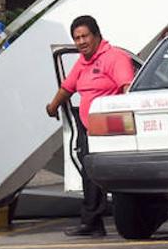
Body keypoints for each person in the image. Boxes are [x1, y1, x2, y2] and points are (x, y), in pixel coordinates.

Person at [46, 15, 134, 237]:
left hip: (110, 131)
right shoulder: (83, 62)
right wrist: (53, 106)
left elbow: (127, 89)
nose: (81, 42)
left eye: (85, 36)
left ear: (96, 35)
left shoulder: (115, 58)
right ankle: (93, 224)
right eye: (76, 38)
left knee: (108, 176)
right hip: (88, 129)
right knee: (89, 175)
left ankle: (103, 220)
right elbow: (68, 87)